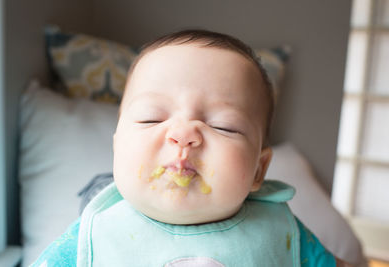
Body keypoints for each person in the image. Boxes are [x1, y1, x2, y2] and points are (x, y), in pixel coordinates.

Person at [31, 29, 352, 267]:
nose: (183, 135)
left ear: (259, 169)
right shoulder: (91, 238)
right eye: (150, 119)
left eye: (222, 125)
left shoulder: (282, 232)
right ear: (117, 147)